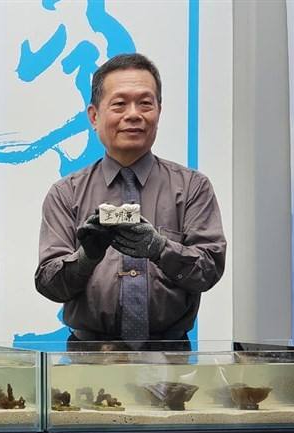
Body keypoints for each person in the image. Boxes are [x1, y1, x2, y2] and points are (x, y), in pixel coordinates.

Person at [35, 53, 226, 348]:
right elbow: (49, 283)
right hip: (89, 356)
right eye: (120, 104)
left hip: (169, 355)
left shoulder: (192, 187)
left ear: (159, 111)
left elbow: (210, 269)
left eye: (145, 103)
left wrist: (160, 249)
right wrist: (87, 257)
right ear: (94, 116)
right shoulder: (66, 193)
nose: (133, 114)